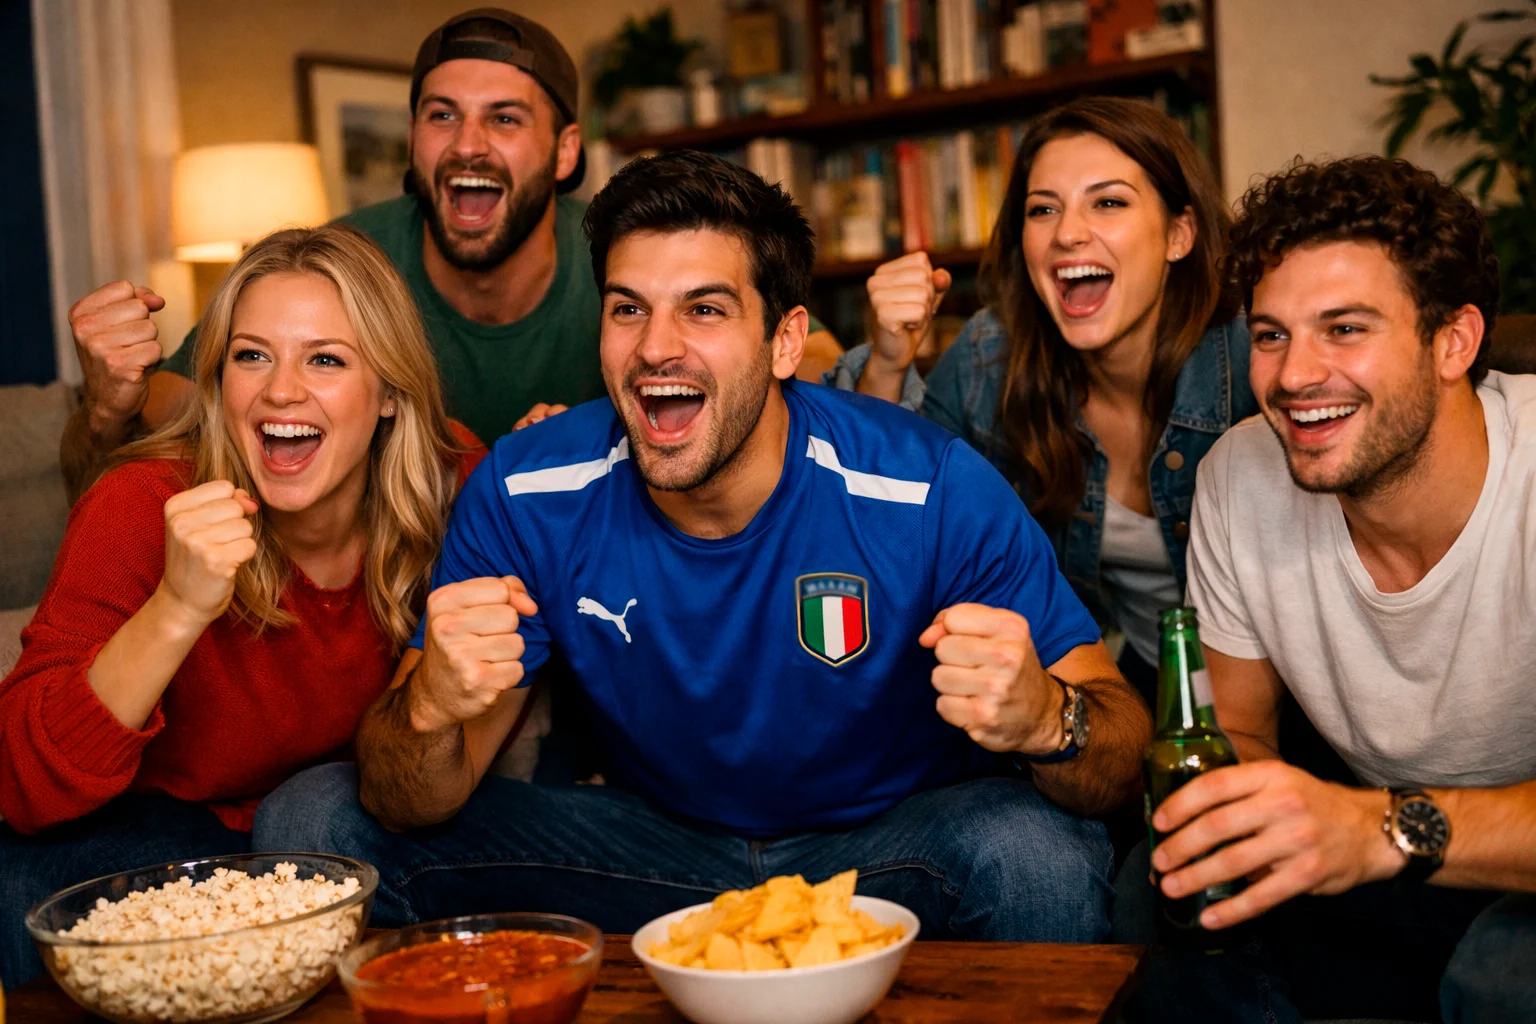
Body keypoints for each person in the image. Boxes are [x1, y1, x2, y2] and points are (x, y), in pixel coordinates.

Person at [254, 150, 1152, 943]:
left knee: (1040, 852)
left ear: (785, 341)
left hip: (889, 849)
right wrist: (429, 710)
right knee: (318, 813)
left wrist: (1046, 718)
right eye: (627, 309)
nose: (657, 349)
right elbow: (415, 798)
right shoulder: (528, 489)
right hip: (653, 848)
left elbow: (1117, 757)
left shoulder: (927, 487)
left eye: (706, 310)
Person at [58, 7, 844, 498]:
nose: (468, 145)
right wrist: (107, 405)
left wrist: (599, 434)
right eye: (441, 115)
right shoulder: (345, 262)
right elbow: (169, 418)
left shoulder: (626, 258)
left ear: (566, 149)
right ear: (414, 137)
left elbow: (806, 363)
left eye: (505, 118)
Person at [0, 225, 475, 987]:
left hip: (325, 830)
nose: (281, 390)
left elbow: (547, 495)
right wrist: (177, 607)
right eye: (251, 356)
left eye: (325, 358)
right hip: (137, 836)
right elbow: (17, 782)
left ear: (389, 393)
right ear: (218, 383)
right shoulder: (140, 502)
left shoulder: (448, 486)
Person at [1118, 156, 1536, 1022]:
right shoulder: (1239, 476)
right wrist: (1264, 818)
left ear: (1454, 340)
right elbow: (1237, 730)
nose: (1295, 375)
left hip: (1504, 863)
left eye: (1344, 329)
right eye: (1270, 334)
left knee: (1501, 976)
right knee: (1156, 885)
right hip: (1378, 847)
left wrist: (1374, 831)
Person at [831, 97, 1254, 708]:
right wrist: (890, 362)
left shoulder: (1253, 351)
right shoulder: (992, 358)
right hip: (1122, 694)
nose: (1067, 233)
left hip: (1284, 703)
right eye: (1042, 209)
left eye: (1108, 202)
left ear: (1179, 234)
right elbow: (886, 532)